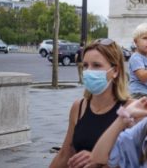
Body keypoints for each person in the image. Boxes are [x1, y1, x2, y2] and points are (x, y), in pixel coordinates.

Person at [49, 38, 129, 168]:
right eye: (85, 65)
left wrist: (100, 161)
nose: (89, 71)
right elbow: (66, 153)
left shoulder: (130, 109)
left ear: (115, 71)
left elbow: (139, 159)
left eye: (96, 65)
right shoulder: (79, 107)